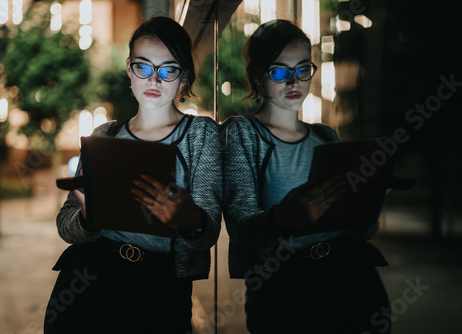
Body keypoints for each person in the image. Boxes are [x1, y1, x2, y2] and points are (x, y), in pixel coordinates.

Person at [44, 16, 222, 333]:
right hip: (90, 279)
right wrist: (88, 219)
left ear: (184, 76)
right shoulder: (106, 135)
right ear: (129, 68)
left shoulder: (201, 134)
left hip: (160, 289)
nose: (154, 80)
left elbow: (208, 235)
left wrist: (190, 219)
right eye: (144, 66)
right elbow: (65, 224)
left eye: (168, 69)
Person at [222, 20, 391, 333]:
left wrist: (368, 203)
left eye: (303, 69)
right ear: (257, 76)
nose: (294, 81)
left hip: (351, 279)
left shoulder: (325, 136)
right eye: (279, 71)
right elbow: (241, 228)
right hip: (284, 290)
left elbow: (360, 230)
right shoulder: (243, 134)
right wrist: (283, 219)